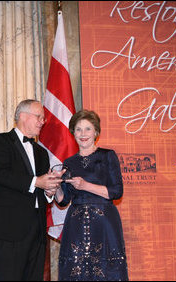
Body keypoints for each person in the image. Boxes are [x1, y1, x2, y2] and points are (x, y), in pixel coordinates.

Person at [0, 99, 63, 281]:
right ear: (22, 116)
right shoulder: (1, 141)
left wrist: (49, 190)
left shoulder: (41, 152)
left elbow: (41, 188)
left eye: (43, 118)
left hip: (36, 232)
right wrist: (38, 182)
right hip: (9, 231)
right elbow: (1, 175)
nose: (42, 122)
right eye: (39, 117)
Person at [54, 109, 129, 281]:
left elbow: (116, 192)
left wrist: (85, 185)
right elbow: (63, 199)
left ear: (96, 132)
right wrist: (54, 187)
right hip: (75, 224)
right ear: (73, 133)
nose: (83, 134)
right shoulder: (69, 162)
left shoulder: (107, 156)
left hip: (104, 223)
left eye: (88, 129)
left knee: (106, 270)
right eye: (78, 129)